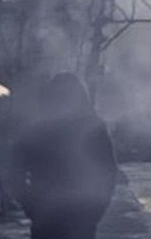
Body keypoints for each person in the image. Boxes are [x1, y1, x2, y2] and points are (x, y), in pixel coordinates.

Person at [9, 73, 118, 239]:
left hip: (53, 213)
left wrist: (30, 205)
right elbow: (108, 173)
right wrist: (96, 210)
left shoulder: (37, 129)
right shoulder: (93, 127)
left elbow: (15, 171)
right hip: (74, 214)